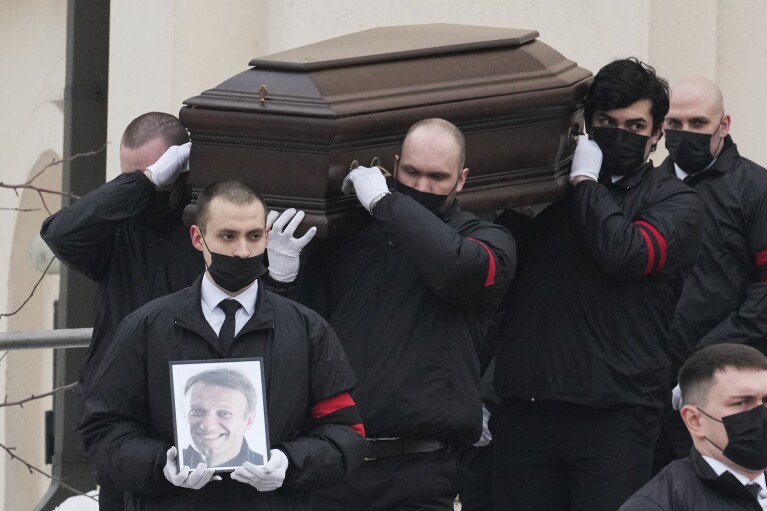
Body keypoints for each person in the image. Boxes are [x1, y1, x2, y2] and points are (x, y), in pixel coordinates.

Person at [41, 112, 315, 510]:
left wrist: (282, 276)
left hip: (204, 418)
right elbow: (59, 233)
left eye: (157, 171)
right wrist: (144, 182)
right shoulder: (118, 229)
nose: (146, 184)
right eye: (132, 176)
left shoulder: (211, 235)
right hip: (127, 423)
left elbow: (257, 309)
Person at [492, 58, 704, 511]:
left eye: (634, 125)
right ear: (587, 125)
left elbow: (624, 253)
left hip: (614, 418)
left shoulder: (677, 203)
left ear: (656, 135)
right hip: (528, 410)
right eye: (606, 122)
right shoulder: (551, 196)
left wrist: (587, 183)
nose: (618, 134)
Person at [78, 180, 367, 511]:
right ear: (198, 238)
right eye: (228, 236)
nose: (243, 251)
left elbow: (346, 432)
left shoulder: (307, 330)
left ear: (267, 237)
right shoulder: (145, 328)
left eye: (254, 236)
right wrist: (160, 465)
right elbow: (103, 429)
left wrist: (289, 463)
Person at [296, 118, 516, 510]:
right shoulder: (351, 239)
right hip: (335, 463)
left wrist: (385, 203)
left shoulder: (487, 240)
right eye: (411, 172)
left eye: (437, 177)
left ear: (462, 180)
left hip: (420, 471)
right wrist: (283, 276)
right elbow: (305, 324)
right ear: (394, 166)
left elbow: (455, 269)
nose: (421, 187)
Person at [653, 76, 767, 473]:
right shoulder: (647, 188)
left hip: (728, 385)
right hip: (649, 383)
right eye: (675, 124)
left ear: (724, 125)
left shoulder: (756, 188)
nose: (685, 134)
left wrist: (709, 357)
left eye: (698, 123)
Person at [620, 343, 767, 510]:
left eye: (766, 400)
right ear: (695, 420)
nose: (761, 413)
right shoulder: (660, 504)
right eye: (742, 402)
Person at [182, 368, 264, 468]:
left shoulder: (268, 469)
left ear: (249, 421)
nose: (207, 425)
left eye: (224, 413)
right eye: (196, 411)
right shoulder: (168, 463)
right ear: (184, 414)